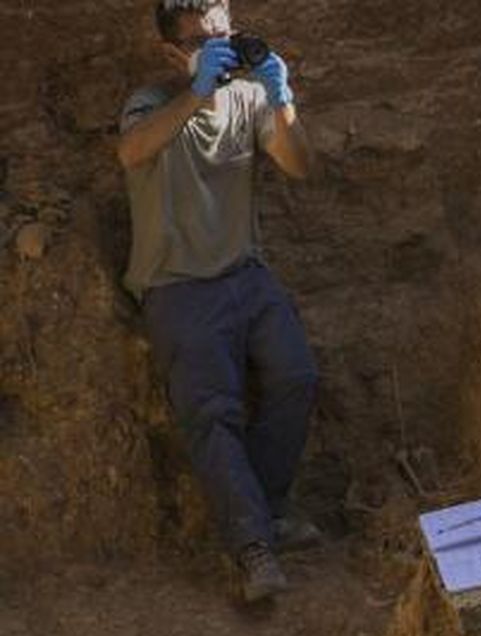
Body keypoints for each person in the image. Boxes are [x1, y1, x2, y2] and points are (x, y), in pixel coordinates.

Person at [118, 0, 321, 603]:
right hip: (177, 284)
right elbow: (132, 151)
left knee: (297, 377)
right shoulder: (150, 104)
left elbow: (300, 166)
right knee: (212, 413)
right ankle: (253, 546)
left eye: (225, 35)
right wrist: (196, 93)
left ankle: (264, 512)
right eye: (202, 42)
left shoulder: (250, 98)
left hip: (244, 273)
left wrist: (281, 98)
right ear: (171, 53)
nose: (220, 49)